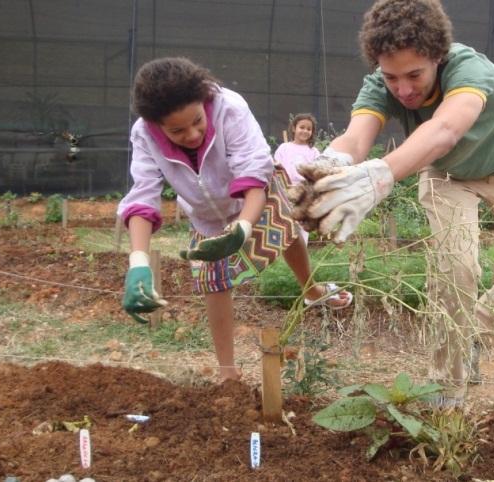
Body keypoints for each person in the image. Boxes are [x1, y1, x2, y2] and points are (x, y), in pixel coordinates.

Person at [294, 0, 494, 399]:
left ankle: (474, 334)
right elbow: (357, 136)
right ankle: (446, 388)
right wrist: (331, 163)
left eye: (414, 75)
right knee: (457, 271)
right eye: (392, 77)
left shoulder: (471, 70)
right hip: (447, 175)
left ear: (438, 57)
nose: (403, 89)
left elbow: (445, 128)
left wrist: (379, 177)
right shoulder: (381, 82)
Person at [118, 57, 351, 382]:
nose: (192, 133)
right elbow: (143, 194)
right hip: (205, 215)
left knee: (285, 227)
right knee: (214, 282)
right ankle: (228, 371)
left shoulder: (229, 107)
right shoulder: (143, 134)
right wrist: (139, 262)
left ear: (204, 102)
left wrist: (243, 226)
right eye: (177, 130)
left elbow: (253, 172)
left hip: (251, 192)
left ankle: (310, 289)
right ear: (157, 125)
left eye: (197, 121)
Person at [274, 113, 321, 243]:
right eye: (302, 127)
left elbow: (317, 172)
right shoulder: (284, 148)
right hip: (285, 191)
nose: (305, 131)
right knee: (284, 222)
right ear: (294, 128)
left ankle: (302, 250)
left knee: (302, 224)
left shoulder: (314, 152)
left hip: (305, 193)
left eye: (309, 129)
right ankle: (284, 254)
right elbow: (277, 169)